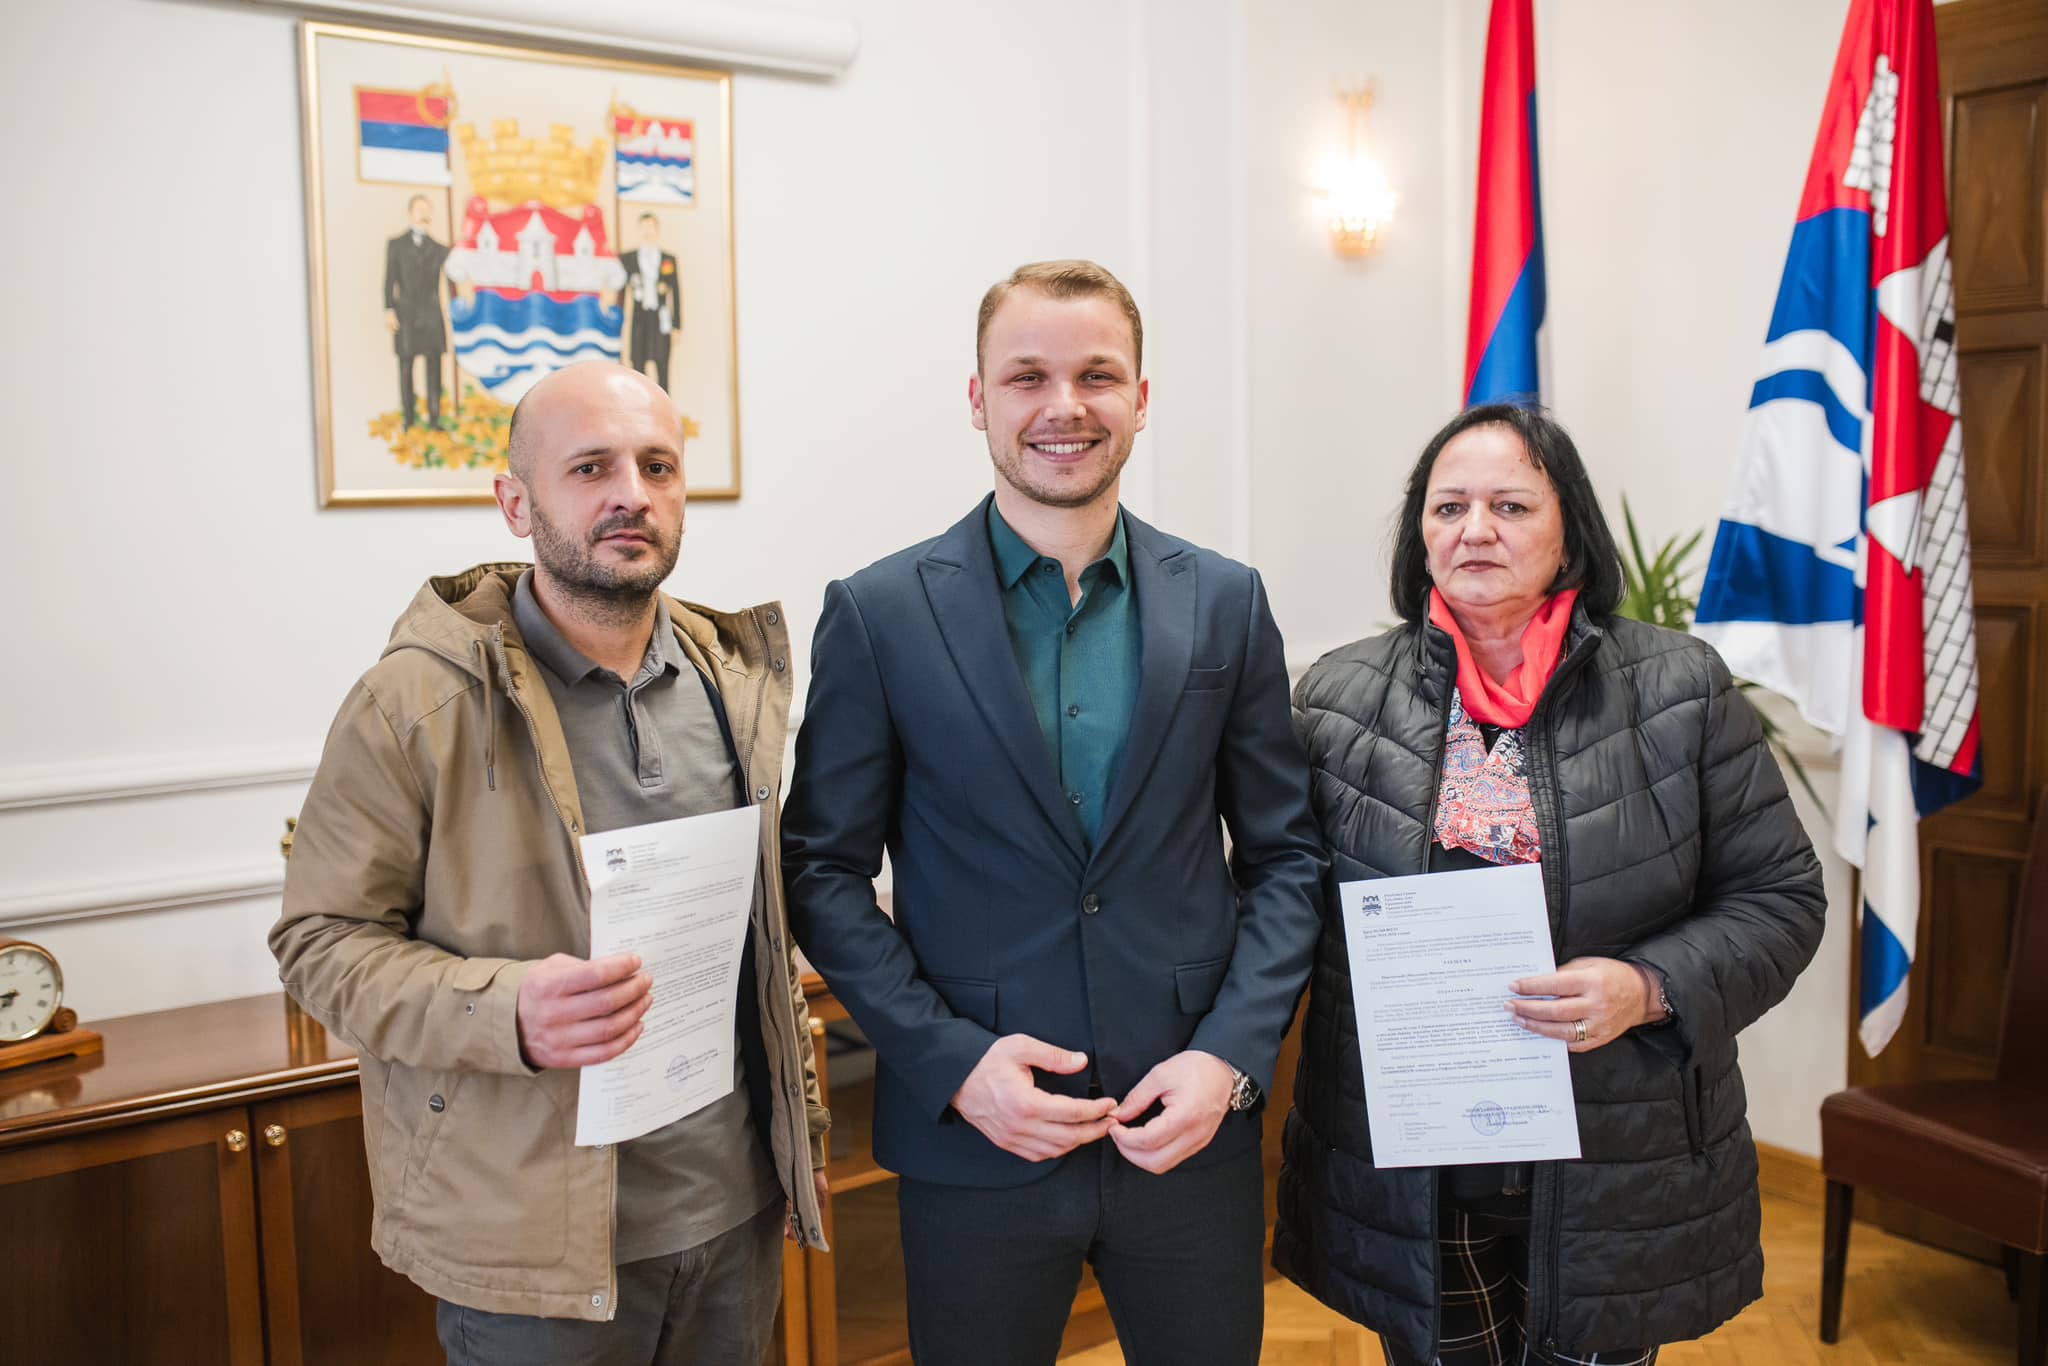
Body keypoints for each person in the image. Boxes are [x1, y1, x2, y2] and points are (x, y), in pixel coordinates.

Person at [782, 259, 1326, 1366]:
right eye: (1027, 376)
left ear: (1141, 398)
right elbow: (820, 874)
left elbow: (1286, 859)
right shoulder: (879, 612)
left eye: (1097, 375)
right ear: (978, 398)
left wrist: (1228, 1057)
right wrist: (952, 1063)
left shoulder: (1226, 601)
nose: (1063, 406)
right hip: (975, 1143)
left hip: (1187, 1133)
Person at [271, 361, 828, 1366]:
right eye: (590, 467)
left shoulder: (733, 682)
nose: (632, 493)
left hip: (734, 1221)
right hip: (533, 1256)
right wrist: (508, 1010)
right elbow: (318, 943)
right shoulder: (413, 703)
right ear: (516, 503)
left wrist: (803, 1138)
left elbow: (761, 939)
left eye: (658, 466)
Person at [1271, 404, 1827, 1366]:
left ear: (1569, 531)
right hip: (1411, 1165)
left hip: (1618, 1157)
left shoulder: (1681, 689)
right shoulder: (1337, 698)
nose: (1475, 530)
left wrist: (1647, 987)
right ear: (1420, 533)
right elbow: (1283, 905)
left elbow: (1781, 900)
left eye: (1511, 505)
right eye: (1449, 507)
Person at [385, 193, 451, 427]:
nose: (423, 214)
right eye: (419, 210)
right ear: (411, 213)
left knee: (434, 367)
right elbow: (389, 280)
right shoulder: (396, 245)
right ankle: (409, 418)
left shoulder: (440, 249)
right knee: (406, 367)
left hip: (432, 314)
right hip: (406, 313)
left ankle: (435, 418)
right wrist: (389, 309)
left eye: (427, 210)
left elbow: (451, 281)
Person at [620, 213, 679, 391]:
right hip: (640, 318)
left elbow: (676, 293)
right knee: (638, 365)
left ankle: (664, 403)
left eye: (651, 227)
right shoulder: (628, 259)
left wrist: (677, 325)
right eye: (644, 227)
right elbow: (621, 293)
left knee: (662, 366)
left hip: (660, 318)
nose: (647, 231)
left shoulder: (668, 259)